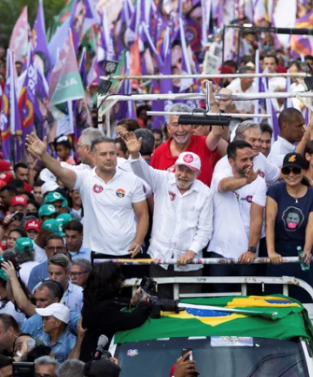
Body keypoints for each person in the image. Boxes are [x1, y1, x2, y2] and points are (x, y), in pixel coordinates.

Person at [26, 134, 150, 263]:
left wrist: (138, 241)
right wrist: (44, 154)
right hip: (99, 254)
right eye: (103, 154)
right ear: (94, 156)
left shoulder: (132, 180)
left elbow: (143, 215)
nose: (108, 158)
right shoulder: (85, 178)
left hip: (130, 252)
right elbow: (60, 171)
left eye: (112, 153)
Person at [126, 135, 214, 298]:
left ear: (198, 173)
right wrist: (135, 154)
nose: (183, 174)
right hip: (160, 258)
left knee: (188, 307)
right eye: (181, 169)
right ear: (175, 167)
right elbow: (141, 171)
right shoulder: (163, 179)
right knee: (156, 304)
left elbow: (205, 230)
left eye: (189, 171)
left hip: (190, 264)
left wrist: (190, 252)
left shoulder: (205, 193)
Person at [208, 140, 267, 282]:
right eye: (244, 160)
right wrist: (247, 181)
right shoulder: (220, 174)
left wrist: (251, 250)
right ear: (231, 161)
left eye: (251, 159)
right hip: (220, 252)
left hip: (246, 255)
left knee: (246, 297)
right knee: (219, 297)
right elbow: (223, 186)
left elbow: (256, 219)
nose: (250, 163)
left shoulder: (259, 181)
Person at [266, 153, 313, 301]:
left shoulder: (312, 194)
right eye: (286, 170)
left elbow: (311, 225)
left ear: (303, 171)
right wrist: (271, 251)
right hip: (278, 251)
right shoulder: (275, 190)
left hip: (301, 252)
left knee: (304, 299)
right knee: (275, 299)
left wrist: (307, 250)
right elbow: (269, 221)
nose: (291, 174)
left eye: (295, 170)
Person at [149, 94, 226, 185]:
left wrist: (211, 98)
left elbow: (217, 132)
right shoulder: (159, 153)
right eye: (175, 125)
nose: (181, 130)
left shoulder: (203, 143)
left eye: (185, 124)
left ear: (192, 126)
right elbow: (152, 184)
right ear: (168, 128)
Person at [80, 262, 151, 359]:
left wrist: (132, 302)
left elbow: (117, 305)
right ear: (109, 283)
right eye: (118, 279)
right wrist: (144, 304)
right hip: (96, 360)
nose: (121, 283)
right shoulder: (103, 309)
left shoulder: (93, 300)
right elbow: (134, 319)